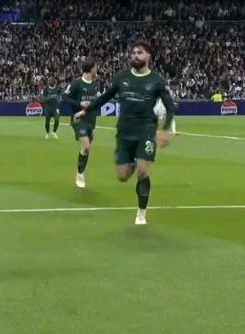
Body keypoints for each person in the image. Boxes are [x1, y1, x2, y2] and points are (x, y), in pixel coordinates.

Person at [74, 42, 174, 225]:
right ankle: (134, 162)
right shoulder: (122, 78)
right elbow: (105, 97)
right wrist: (86, 111)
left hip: (146, 131)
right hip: (125, 132)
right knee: (122, 176)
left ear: (148, 56)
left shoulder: (157, 80)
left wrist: (165, 129)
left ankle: (141, 213)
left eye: (139, 52)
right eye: (133, 52)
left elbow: (169, 106)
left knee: (143, 170)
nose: (135, 55)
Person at [63, 58, 101, 188]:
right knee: (85, 144)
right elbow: (64, 96)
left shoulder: (96, 84)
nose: (97, 70)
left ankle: (80, 171)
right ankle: (80, 175)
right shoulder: (76, 83)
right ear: (91, 69)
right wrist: (79, 104)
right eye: (96, 67)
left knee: (86, 148)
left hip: (90, 119)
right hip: (78, 120)